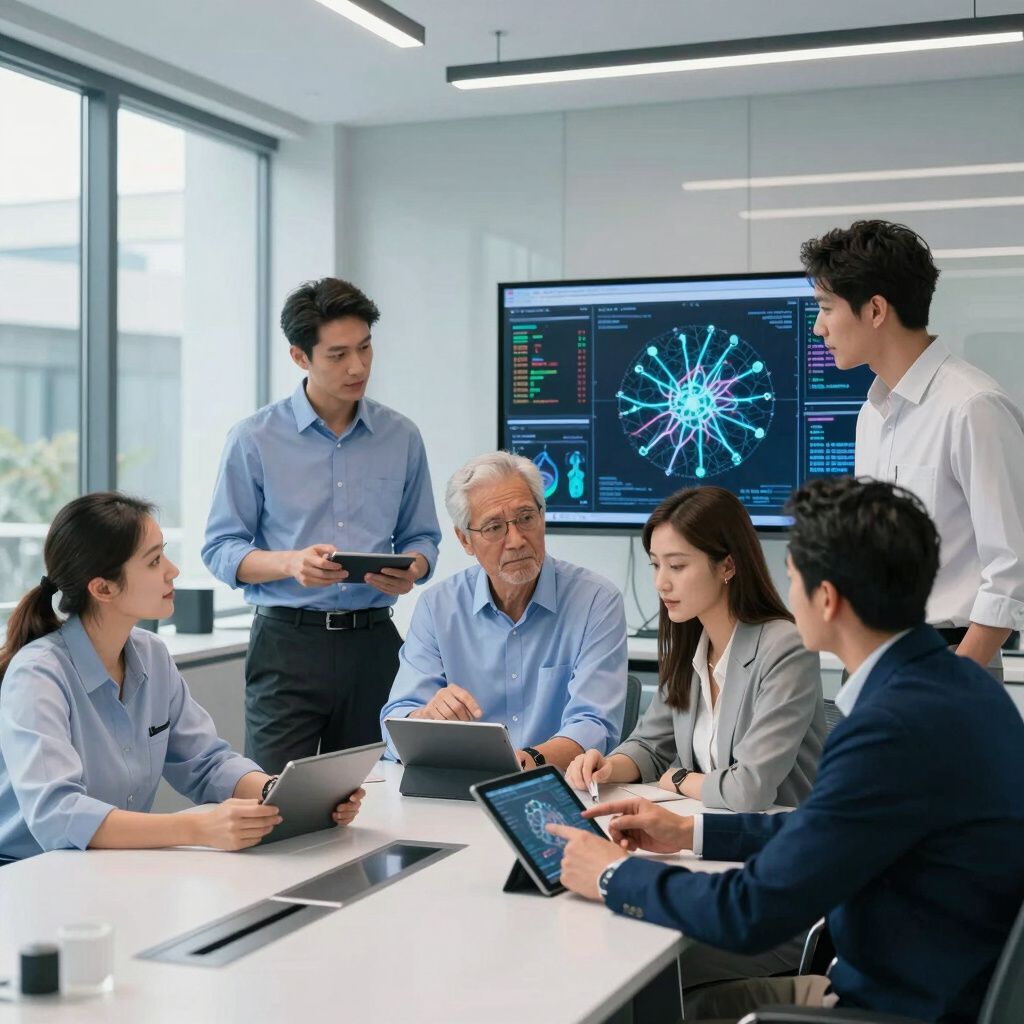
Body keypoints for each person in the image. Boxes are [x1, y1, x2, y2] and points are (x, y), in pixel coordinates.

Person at [550, 477, 1024, 1023]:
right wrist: (691, 831)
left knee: (637, 1003)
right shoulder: (962, 689)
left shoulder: (887, 727)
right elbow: (833, 826)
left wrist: (613, 876)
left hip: (884, 1007)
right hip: (930, 987)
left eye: (794, 578)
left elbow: (752, 911)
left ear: (827, 599)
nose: (787, 596)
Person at [0, 493, 364, 862]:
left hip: (107, 868)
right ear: (103, 588)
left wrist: (280, 792)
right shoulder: (38, 675)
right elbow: (56, 816)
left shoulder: (152, 655)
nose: (172, 570)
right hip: (26, 877)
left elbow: (207, 763)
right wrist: (199, 829)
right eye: (154, 560)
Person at [202, 278, 442, 773]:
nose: (357, 367)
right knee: (275, 805)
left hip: (375, 643)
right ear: (300, 357)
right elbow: (221, 549)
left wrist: (413, 567)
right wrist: (292, 563)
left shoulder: (402, 437)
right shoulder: (254, 439)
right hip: (286, 646)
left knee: (377, 798)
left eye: (365, 348)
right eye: (337, 355)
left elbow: (423, 537)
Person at [802, 220, 1024, 678]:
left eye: (826, 307)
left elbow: (1013, 570)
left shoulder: (972, 407)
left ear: (876, 309)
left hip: (947, 660)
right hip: (874, 659)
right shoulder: (872, 414)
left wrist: (955, 679)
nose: (818, 327)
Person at [566, 486, 824, 814]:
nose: (661, 583)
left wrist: (679, 778)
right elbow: (650, 745)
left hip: (778, 840)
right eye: (655, 565)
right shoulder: (691, 646)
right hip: (708, 830)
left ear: (727, 566)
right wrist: (607, 766)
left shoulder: (786, 648)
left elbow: (749, 789)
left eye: (676, 566)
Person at [380, 451, 626, 771]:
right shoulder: (438, 606)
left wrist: (529, 760)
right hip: (460, 784)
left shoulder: (597, 600)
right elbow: (394, 723)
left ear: (543, 515)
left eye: (526, 518)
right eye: (495, 527)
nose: (516, 540)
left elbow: (595, 724)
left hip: (556, 784)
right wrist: (425, 718)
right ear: (465, 539)